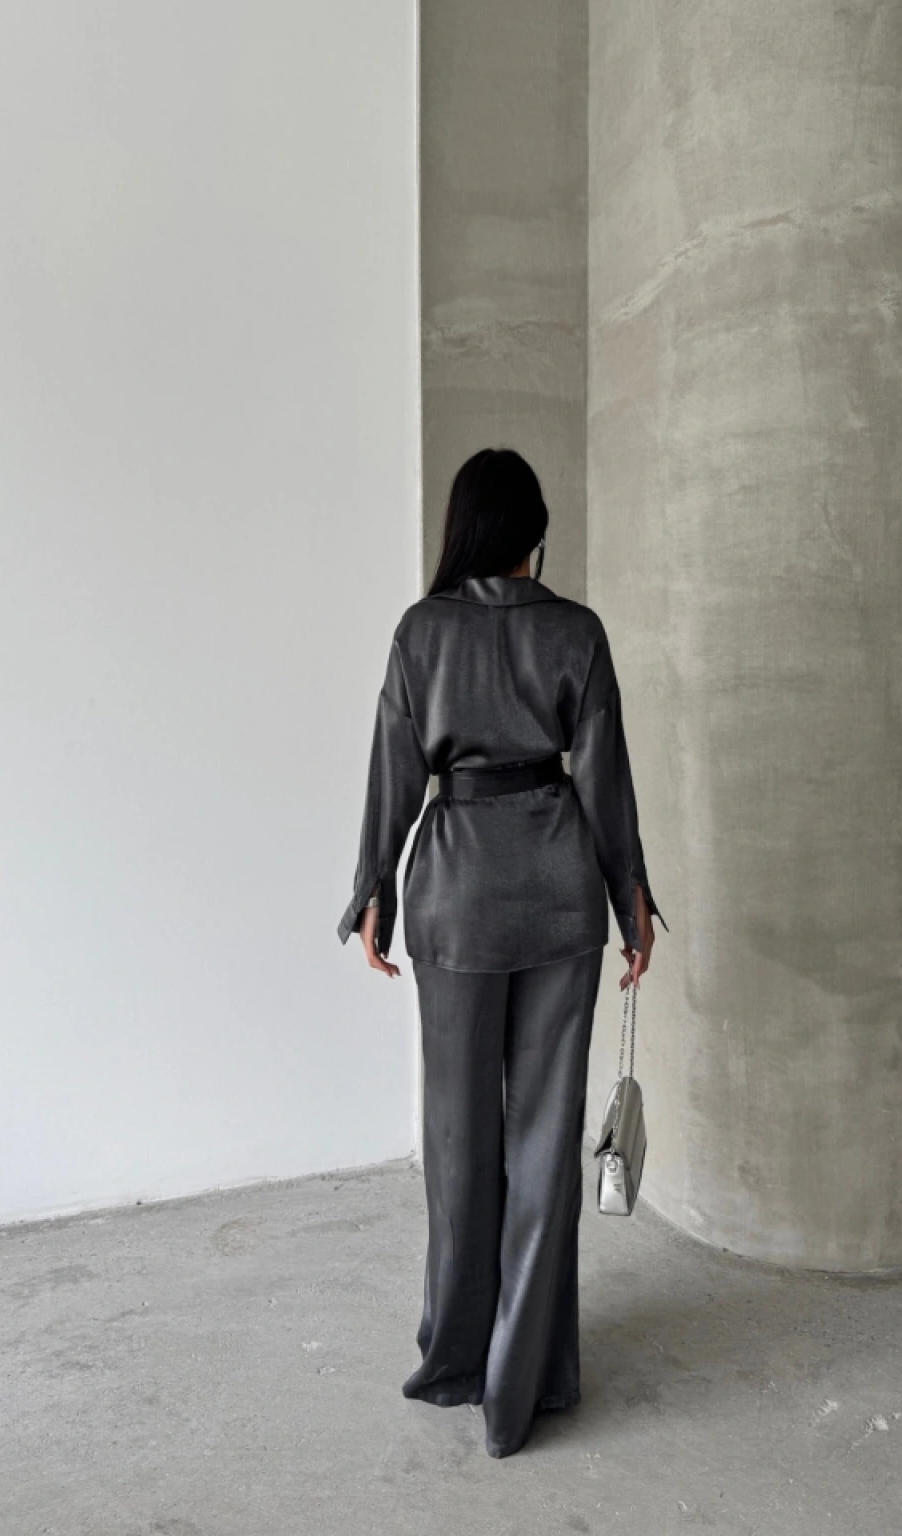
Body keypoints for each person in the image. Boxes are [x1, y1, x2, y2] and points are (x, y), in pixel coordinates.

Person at [336, 446, 668, 1459]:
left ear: (464, 530)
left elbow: (395, 770)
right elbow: (603, 778)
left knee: (456, 1138)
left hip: (454, 898)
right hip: (559, 895)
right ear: (534, 534)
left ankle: (454, 1361)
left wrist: (373, 889)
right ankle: (523, 1387)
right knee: (544, 1142)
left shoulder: (420, 632)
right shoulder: (576, 632)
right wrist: (632, 902)